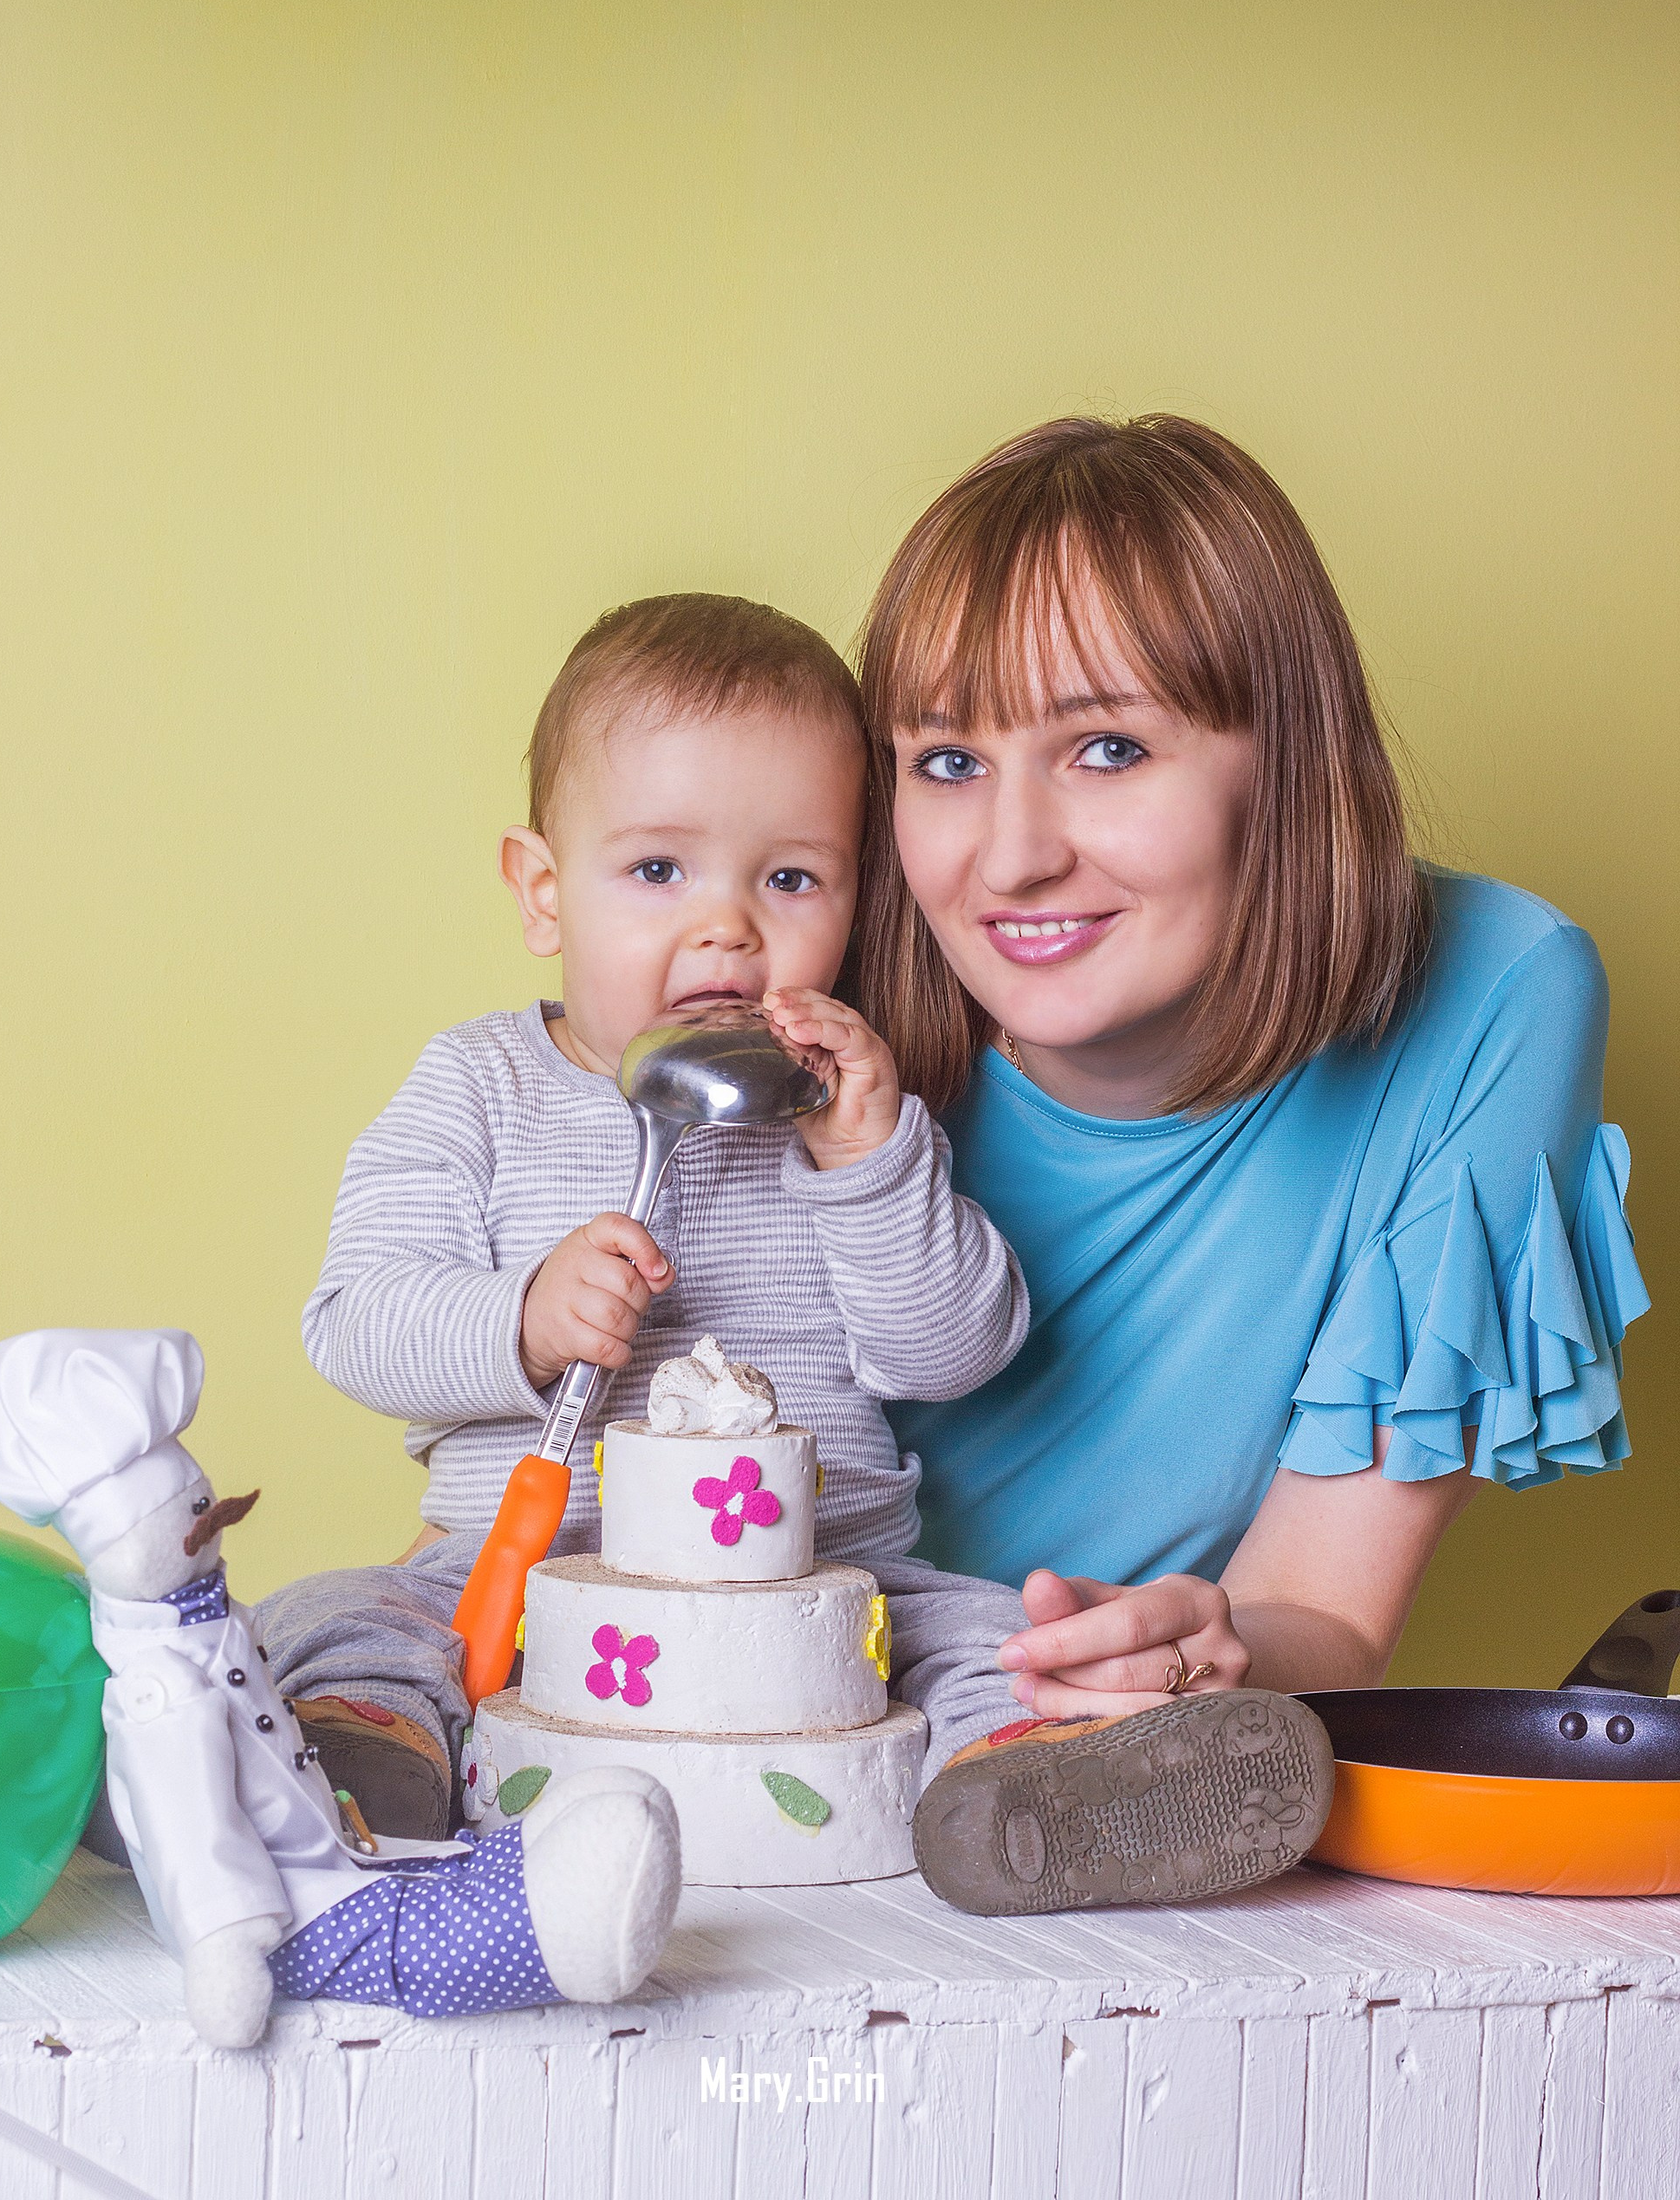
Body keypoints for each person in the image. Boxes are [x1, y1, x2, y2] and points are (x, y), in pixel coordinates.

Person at [848, 413, 1649, 1866]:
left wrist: (1209, 1661)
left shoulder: (1493, 997)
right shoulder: (826, 1001)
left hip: (1045, 1799)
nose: (1011, 855)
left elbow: (1325, 1613)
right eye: (947, 761)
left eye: (1106, 747)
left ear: (1284, 760)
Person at [259, 593, 1042, 1839]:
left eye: (790, 877)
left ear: (857, 902)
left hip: (829, 1579)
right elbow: (354, 1320)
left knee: (997, 1634)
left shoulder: (854, 1112)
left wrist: (871, 1160)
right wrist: (520, 1319)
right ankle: (372, 1747)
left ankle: (1029, 1776)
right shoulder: (481, 1085)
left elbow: (951, 1353)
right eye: (658, 869)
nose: (726, 923)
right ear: (545, 892)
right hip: (518, 1571)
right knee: (337, 1617)